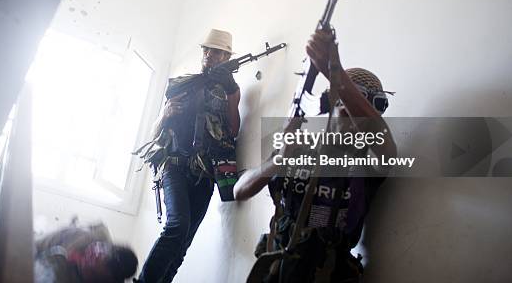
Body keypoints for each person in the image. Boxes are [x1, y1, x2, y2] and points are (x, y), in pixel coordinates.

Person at [234, 29, 396, 283]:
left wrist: (335, 70)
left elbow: (387, 151)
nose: (356, 121)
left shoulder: (368, 165)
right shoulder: (299, 146)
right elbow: (240, 191)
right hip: (275, 271)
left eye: (362, 112)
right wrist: (279, 160)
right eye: (348, 109)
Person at [134, 29, 242, 283]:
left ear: (226, 56)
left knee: (183, 243)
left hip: (205, 175)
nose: (208, 55)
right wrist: (165, 114)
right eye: (206, 50)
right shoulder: (183, 84)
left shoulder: (230, 90)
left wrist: (230, 90)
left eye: (215, 51)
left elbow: (233, 130)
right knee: (176, 226)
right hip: (175, 166)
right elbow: (154, 132)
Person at [34, 221, 138, 283]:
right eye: (101, 245)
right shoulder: (75, 236)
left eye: (91, 266)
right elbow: (34, 246)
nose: (96, 250)